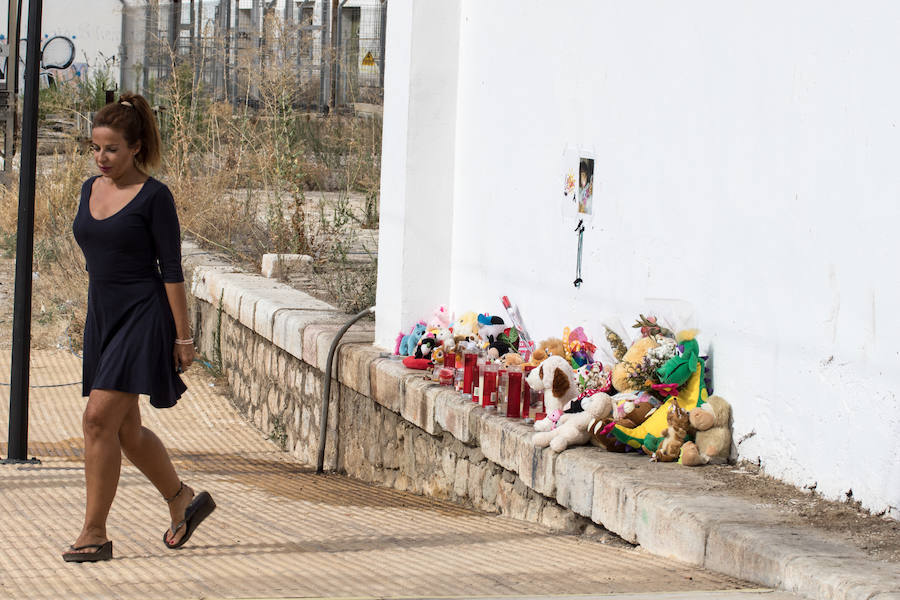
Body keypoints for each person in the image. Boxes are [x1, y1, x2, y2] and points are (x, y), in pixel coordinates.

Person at [63, 93, 215, 563]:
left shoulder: (155, 196)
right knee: (125, 432)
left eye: (111, 148)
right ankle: (181, 499)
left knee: (96, 420)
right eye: (94, 148)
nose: (101, 157)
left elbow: (171, 269)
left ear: (135, 147)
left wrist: (183, 337)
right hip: (103, 316)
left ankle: (94, 533)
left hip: (143, 316)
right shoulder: (90, 189)